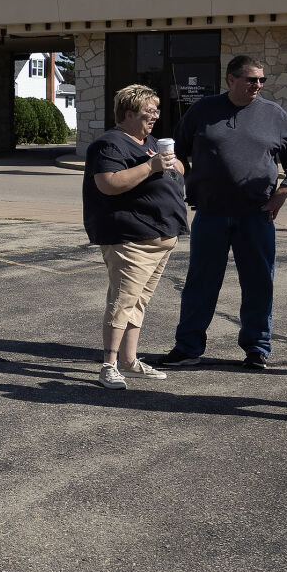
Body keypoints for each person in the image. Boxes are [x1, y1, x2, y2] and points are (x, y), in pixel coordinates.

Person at [154, 55, 287, 371]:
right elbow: (178, 152)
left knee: (258, 283)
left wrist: (284, 191)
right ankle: (188, 347)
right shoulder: (202, 111)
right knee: (201, 282)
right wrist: (179, 180)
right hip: (210, 214)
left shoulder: (274, 115)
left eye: (262, 80)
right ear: (231, 79)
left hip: (256, 215)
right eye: (251, 79)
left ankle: (256, 349)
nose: (258, 85)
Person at [83, 85, 187, 389]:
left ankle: (129, 362)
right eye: (148, 112)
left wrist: (169, 160)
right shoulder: (110, 145)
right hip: (130, 238)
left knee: (138, 302)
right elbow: (108, 183)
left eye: (156, 111)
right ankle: (108, 365)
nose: (154, 117)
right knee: (122, 302)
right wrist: (151, 165)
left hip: (161, 237)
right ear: (128, 114)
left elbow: (178, 170)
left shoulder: (150, 142)